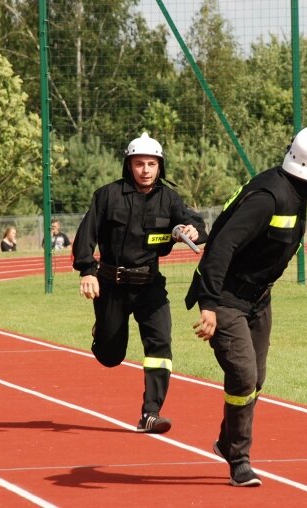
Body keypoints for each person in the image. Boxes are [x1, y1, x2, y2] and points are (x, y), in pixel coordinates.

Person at [184, 121, 307, 487]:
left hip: (257, 299)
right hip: (225, 298)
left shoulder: (295, 192)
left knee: (256, 380)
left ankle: (226, 441)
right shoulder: (269, 196)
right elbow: (221, 247)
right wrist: (208, 303)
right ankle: (239, 459)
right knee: (243, 376)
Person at [72, 132, 208, 434]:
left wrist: (193, 230)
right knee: (110, 356)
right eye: (138, 164)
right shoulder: (107, 195)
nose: (145, 170)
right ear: (128, 165)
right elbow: (86, 234)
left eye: (151, 164)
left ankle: (151, 412)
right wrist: (87, 271)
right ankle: (102, 331)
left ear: (160, 167)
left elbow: (194, 223)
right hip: (111, 285)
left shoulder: (169, 199)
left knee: (160, 343)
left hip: (150, 286)